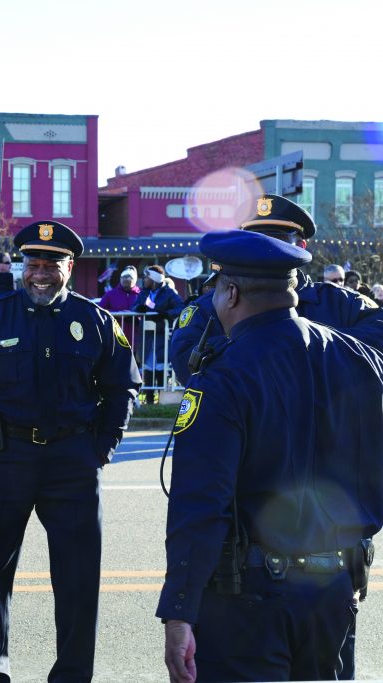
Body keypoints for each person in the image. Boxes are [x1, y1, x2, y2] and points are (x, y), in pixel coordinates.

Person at [158, 229, 383, 683]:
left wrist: (179, 612)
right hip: (334, 591)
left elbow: (200, 504)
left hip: (248, 599)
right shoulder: (361, 359)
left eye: (218, 290)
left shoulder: (221, 378)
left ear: (232, 293)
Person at [0, 221, 141, 683]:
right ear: (20, 267)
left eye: (51, 265)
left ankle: (73, 675)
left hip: (72, 461)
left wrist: (102, 448)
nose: (40, 274)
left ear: (69, 267)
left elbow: (123, 388)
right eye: (32, 264)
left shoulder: (96, 321)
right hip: (3, 458)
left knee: (77, 579)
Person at [170, 194, 383, 386]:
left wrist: (314, 345)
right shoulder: (213, 303)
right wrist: (274, 351)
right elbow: (186, 361)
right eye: (254, 242)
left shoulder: (340, 301)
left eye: (277, 242)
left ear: (300, 247)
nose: (263, 251)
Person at [133, 264, 184, 404]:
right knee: (148, 366)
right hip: (147, 336)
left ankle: (161, 399)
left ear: (154, 279)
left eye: (146, 277)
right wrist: (139, 308)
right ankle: (149, 400)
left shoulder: (169, 293)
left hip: (161, 335)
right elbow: (134, 306)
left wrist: (165, 314)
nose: (144, 280)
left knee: (161, 365)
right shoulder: (143, 293)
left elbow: (181, 307)